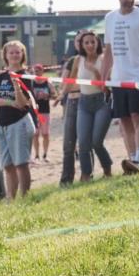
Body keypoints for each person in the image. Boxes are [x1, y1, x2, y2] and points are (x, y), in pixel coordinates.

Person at [101, 0, 139, 175]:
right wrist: (103, 78)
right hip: (118, 78)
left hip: (138, 77)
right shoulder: (110, 18)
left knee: (137, 117)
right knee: (124, 119)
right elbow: (108, 51)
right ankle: (132, 160)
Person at [0, 42, 35, 200]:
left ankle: (25, 198)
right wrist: (8, 102)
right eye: (11, 53)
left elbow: (23, 103)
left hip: (19, 122)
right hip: (2, 125)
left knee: (21, 164)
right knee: (7, 165)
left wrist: (17, 89)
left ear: (23, 54)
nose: (15, 55)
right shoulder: (1, 77)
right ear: (5, 55)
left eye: (18, 52)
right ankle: (10, 198)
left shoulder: (26, 76)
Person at [71, 31, 113, 181]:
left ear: (98, 43)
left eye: (92, 42)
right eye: (86, 42)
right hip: (84, 102)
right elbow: (71, 80)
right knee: (83, 142)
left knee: (96, 141)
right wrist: (62, 94)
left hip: (102, 101)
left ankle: (107, 169)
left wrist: (95, 71)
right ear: (81, 45)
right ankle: (86, 174)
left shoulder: (104, 60)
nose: (90, 45)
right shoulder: (78, 60)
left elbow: (105, 88)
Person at [57, 45, 81, 187]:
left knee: (86, 142)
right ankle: (66, 179)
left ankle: (87, 174)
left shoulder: (98, 59)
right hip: (71, 100)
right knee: (69, 143)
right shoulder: (72, 61)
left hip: (90, 99)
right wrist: (62, 94)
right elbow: (65, 83)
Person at [29, 64, 56, 162]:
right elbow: (27, 96)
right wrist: (34, 97)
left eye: (38, 71)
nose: (36, 73)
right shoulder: (31, 83)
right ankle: (36, 155)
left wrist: (47, 95)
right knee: (35, 134)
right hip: (34, 112)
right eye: (34, 71)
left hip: (45, 111)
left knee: (45, 134)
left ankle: (45, 155)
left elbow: (54, 95)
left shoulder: (48, 82)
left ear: (42, 71)